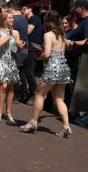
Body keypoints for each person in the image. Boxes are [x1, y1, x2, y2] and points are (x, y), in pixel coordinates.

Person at [20, 10, 73, 138]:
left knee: (39, 94)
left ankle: (33, 122)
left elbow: (47, 54)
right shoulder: (62, 34)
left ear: (47, 21)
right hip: (63, 68)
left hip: (52, 67)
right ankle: (66, 127)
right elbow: (66, 48)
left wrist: (39, 55)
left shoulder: (48, 35)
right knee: (59, 99)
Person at [0, 11, 24, 124]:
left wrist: (20, 46)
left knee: (11, 87)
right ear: (4, 19)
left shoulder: (16, 32)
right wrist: (9, 35)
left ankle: (8, 112)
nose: (12, 20)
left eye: (12, 18)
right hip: (1, 60)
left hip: (11, 60)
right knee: (3, 86)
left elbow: (17, 49)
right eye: (10, 18)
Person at [8, 0, 28, 103]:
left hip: (17, 48)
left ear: (10, 8)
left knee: (15, 72)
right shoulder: (24, 19)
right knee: (21, 72)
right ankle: (23, 93)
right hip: (24, 47)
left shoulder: (13, 19)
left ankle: (15, 95)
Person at [22, 4, 43, 105]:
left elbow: (28, 31)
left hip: (32, 48)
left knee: (28, 71)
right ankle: (26, 93)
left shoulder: (34, 18)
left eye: (24, 8)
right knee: (24, 70)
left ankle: (34, 93)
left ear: (30, 9)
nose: (22, 10)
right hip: (27, 47)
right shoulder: (27, 19)